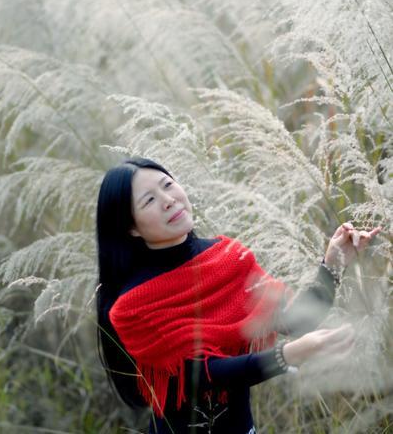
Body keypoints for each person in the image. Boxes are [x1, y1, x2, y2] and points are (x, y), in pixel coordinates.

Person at [95, 157, 380, 434]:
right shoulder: (131, 305)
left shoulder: (229, 258)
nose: (167, 200)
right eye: (149, 200)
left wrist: (332, 265)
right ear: (130, 227)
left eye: (167, 185)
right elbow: (201, 375)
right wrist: (287, 356)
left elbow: (295, 322)